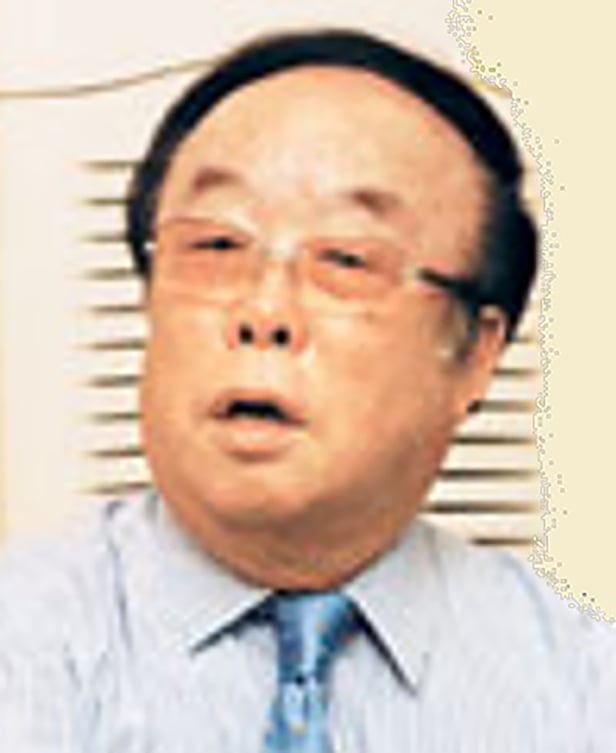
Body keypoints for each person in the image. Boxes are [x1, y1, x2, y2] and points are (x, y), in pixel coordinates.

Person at [1, 28, 614, 752]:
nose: (263, 311)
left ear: (477, 356)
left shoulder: (582, 691)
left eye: (348, 259)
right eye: (215, 246)